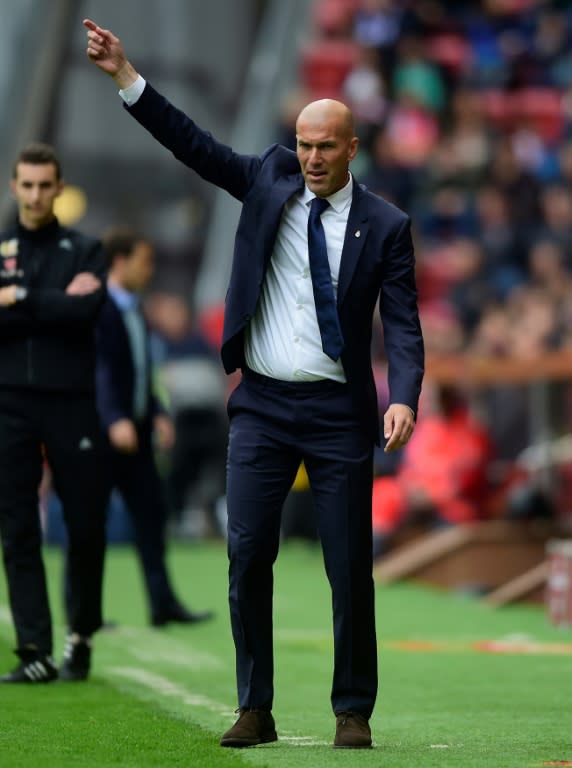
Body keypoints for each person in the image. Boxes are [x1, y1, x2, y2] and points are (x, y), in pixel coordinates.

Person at [84, 19, 424, 749]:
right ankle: (255, 706)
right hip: (264, 406)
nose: (310, 158)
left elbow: (402, 324)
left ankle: (352, 709)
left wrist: (403, 393)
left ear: (352, 148)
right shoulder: (268, 178)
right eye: (303, 144)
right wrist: (124, 76)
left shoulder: (386, 225)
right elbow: (194, 143)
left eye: (325, 146)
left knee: (347, 566)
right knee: (245, 557)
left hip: (338, 412)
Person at [0, 143, 108, 683]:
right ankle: (35, 650)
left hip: (72, 403)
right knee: (18, 527)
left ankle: (81, 634)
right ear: (15, 186)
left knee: (86, 525)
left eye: (46, 185)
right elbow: (64, 309)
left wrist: (16, 298)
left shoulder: (86, 249)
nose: (37, 194)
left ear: (59, 188)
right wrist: (52, 301)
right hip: (10, 402)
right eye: (28, 184)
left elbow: (84, 311)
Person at [91, 227, 214, 627]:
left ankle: (162, 603)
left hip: (139, 430)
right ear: (120, 262)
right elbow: (101, 371)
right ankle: (85, 612)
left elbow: (144, 370)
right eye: (145, 261)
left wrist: (157, 410)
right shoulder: (99, 308)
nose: (151, 270)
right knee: (90, 522)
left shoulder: (134, 308)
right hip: (107, 432)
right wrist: (114, 419)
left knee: (152, 515)